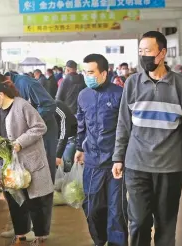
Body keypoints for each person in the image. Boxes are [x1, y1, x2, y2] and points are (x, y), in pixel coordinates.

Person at [112, 31, 182, 246]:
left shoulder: (179, 85)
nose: (144, 56)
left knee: (166, 223)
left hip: (170, 167)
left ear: (162, 54)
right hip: (137, 165)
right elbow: (124, 124)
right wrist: (118, 157)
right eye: (140, 51)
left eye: (148, 51)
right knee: (139, 220)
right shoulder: (132, 84)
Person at [0, 75, 54, 245]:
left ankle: (40, 235)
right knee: (14, 199)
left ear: (0, 94)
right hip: (7, 163)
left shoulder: (22, 105)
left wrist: (20, 143)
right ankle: (20, 233)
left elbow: (40, 126)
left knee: (33, 200)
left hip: (28, 162)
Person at [75, 54, 128, 246]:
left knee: (117, 211)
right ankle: (99, 241)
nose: (86, 76)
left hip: (115, 163)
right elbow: (81, 123)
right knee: (92, 207)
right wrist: (80, 147)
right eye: (84, 72)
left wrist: (120, 158)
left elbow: (125, 128)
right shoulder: (83, 95)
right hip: (92, 162)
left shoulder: (119, 94)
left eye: (91, 72)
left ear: (104, 73)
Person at [3, 71, 58, 183]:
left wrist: (31, 120)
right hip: (29, 132)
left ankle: (46, 196)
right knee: (31, 166)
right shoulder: (8, 89)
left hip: (44, 129)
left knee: (44, 165)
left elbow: (49, 104)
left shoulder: (27, 83)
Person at [55, 100, 77, 171]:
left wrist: (58, 154)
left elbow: (64, 131)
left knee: (68, 163)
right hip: (57, 139)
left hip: (70, 138)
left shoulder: (56, 106)